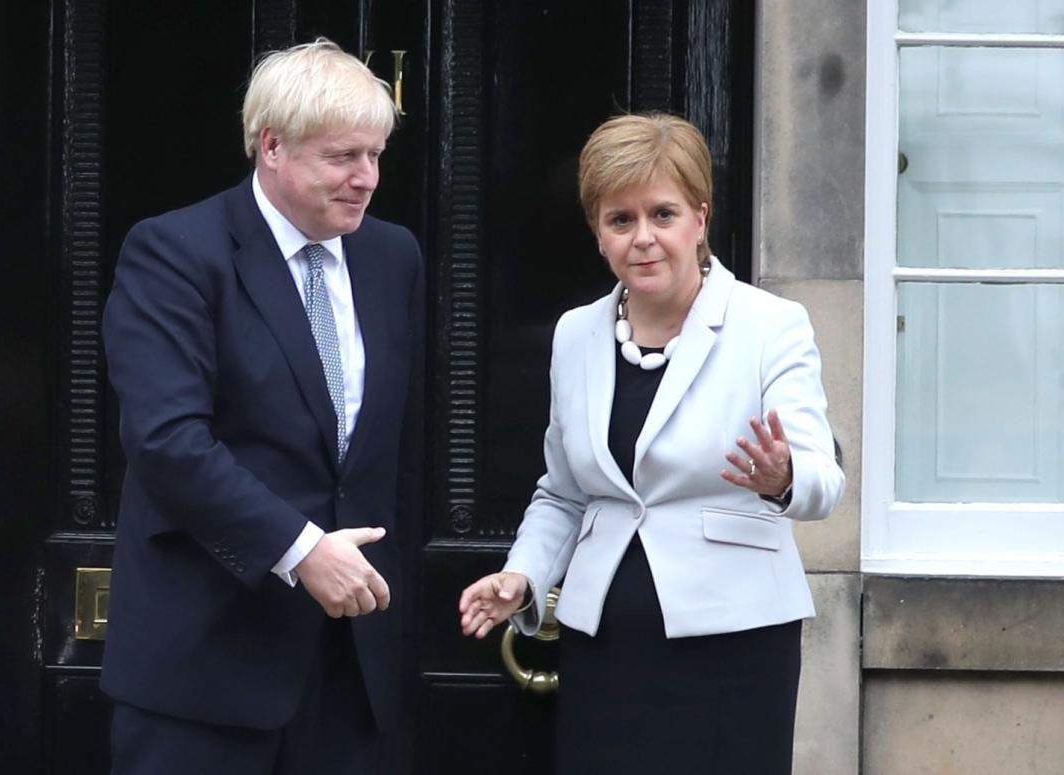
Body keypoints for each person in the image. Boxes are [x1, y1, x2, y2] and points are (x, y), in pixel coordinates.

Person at [458, 113, 844, 774]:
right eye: (620, 219)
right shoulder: (576, 334)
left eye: (662, 214)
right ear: (597, 233)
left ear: (700, 218)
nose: (643, 238)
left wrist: (783, 476)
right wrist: (521, 576)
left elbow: (822, 479)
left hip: (734, 643)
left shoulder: (769, 325)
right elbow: (563, 490)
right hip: (604, 643)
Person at [101, 39, 423, 774]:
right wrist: (303, 549)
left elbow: (397, 453)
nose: (366, 179)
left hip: (353, 677)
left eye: (375, 155)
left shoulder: (392, 255)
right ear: (272, 146)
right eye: (343, 157)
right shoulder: (176, 252)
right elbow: (166, 441)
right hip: (203, 670)